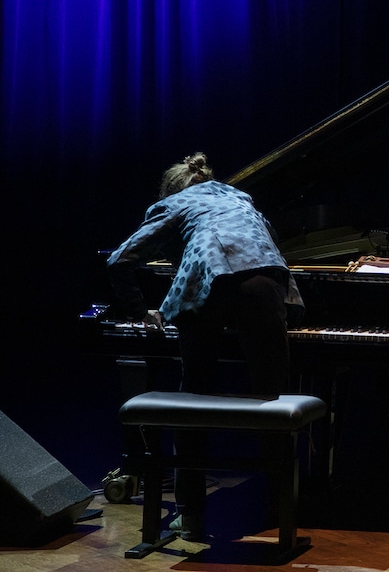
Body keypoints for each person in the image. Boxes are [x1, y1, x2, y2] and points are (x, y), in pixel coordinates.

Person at [107, 152, 303, 540]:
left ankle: (191, 514)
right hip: (265, 283)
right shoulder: (240, 198)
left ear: (172, 188)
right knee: (272, 395)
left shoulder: (172, 204)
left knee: (193, 395)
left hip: (208, 283)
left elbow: (119, 260)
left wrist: (140, 310)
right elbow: (268, 246)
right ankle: (281, 510)